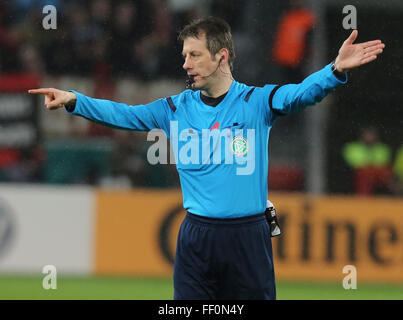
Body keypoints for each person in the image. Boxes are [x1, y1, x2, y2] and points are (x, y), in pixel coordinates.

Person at [29, 17, 385, 300]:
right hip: (197, 236)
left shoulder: (256, 102)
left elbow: (299, 95)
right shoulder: (174, 108)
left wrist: (335, 71)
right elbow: (125, 114)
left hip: (248, 236)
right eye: (184, 55)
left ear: (221, 56)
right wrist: (75, 100)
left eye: (194, 55)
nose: (186, 64)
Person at [343, 126, 392, 195]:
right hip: (360, 173)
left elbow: (382, 163)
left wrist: (370, 165)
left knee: (385, 173)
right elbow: (356, 164)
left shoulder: (382, 148)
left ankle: (391, 196)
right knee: (365, 174)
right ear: (362, 135)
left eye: (371, 135)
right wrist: (370, 165)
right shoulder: (352, 147)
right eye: (367, 135)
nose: (369, 137)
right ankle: (363, 198)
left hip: (377, 174)